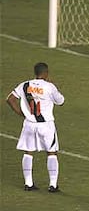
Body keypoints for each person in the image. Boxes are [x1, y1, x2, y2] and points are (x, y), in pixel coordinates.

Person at [6, 62, 65, 192]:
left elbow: (10, 99)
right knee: (51, 152)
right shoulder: (49, 87)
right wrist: (54, 86)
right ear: (46, 73)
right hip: (46, 125)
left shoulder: (25, 85)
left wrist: (21, 113)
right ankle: (53, 185)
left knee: (28, 152)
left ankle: (28, 183)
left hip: (29, 124)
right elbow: (61, 101)